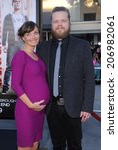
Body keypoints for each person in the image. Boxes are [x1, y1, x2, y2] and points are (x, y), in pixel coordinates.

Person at [36, 6, 95, 150]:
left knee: (75, 145)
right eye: (56, 21)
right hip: (52, 108)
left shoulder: (82, 46)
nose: (59, 24)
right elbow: (38, 77)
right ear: (52, 23)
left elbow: (89, 78)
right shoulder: (42, 48)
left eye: (63, 20)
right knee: (58, 145)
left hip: (74, 108)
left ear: (69, 22)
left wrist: (87, 107)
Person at [11, 21, 50, 150]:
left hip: (39, 111)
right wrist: (31, 105)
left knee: (35, 144)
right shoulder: (20, 56)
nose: (33, 36)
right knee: (25, 146)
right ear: (23, 37)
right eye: (29, 34)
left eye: (36, 33)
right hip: (26, 109)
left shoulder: (37, 56)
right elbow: (15, 85)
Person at [1, 0, 28, 94]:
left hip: (22, 44)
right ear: (13, 4)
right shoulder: (8, 17)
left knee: (23, 66)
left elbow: (28, 32)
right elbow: (5, 30)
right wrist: (4, 44)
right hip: (12, 44)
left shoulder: (24, 17)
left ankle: (23, 88)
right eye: (15, 2)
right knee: (9, 66)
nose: (17, 3)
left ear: (21, 4)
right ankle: (5, 88)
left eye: (19, 2)